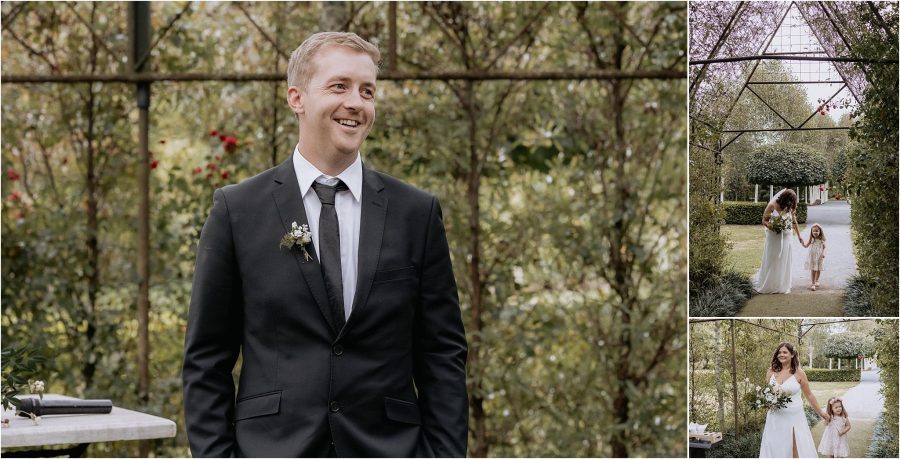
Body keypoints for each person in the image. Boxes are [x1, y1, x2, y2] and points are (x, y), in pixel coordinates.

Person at [182, 32, 468, 458]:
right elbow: (206, 360)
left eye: (367, 91)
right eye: (340, 86)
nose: (356, 102)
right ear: (297, 98)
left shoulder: (416, 213)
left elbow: (442, 355)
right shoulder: (237, 211)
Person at [759, 342, 829, 458]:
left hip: (794, 418)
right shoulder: (771, 372)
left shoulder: (799, 373)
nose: (781, 354)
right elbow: (768, 393)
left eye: (785, 352)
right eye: (779, 352)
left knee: (794, 446)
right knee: (773, 445)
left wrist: (821, 413)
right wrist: (764, 401)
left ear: (792, 355)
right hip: (775, 416)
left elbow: (809, 395)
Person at [755, 188, 802, 294]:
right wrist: (772, 226)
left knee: (784, 260)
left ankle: (782, 285)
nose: (791, 204)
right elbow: (764, 220)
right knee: (773, 259)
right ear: (784, 198)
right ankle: (769, 285)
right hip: (774, 237)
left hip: (787, 237)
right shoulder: (772, 205)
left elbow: (794, 221)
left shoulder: (789, 207)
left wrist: (799, 236)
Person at [802, 223, 827, 291]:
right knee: (813, 269)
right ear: (811, 232)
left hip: (819, 257)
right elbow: (806, 245)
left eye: (817, 231)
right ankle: (813, 284)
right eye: (814, 231)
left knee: (819, 269)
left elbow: (825, 248)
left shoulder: (821, 239)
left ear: (820, 231)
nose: (815, 232)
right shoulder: (812, 239)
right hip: (813, 256)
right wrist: (802, 243)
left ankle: (816, 280)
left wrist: (824, 254)